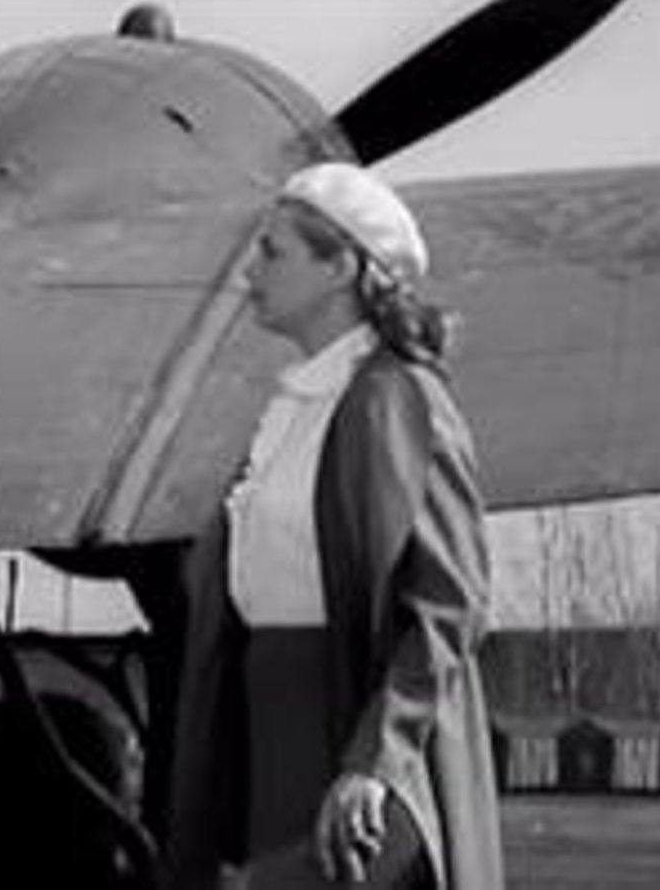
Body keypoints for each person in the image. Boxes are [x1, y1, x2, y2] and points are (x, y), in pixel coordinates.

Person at [164, 162, 503, 890]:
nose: (249, 272)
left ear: (340, 267)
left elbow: (451, 603)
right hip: (271, 728)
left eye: (272, 251)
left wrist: (374, 761)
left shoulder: (399, 399)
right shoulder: (294, 407)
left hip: (350, 733)